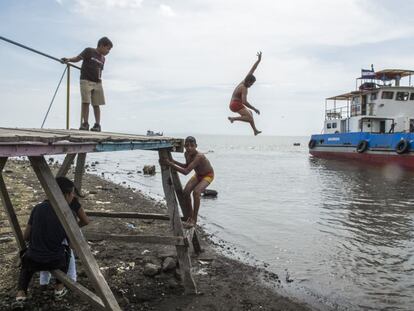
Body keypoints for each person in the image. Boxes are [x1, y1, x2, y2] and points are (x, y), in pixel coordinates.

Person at [13, 177, 79, 309]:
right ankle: (59, 288)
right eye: (72, 194)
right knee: (66, 251)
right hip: (55, 261)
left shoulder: (38, 208)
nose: (73, 196)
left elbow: (26, 236)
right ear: (65, 195)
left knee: (27, 257)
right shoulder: (69, 213)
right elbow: (72, 244)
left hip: (34, 260)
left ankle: (21, 293)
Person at [61, 37, 113, 132]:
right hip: (86, 80)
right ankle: (85, 123)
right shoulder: (89, 51)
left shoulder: (103, 59)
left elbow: (100, 70)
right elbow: (78, 58)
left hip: (97, 82)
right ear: (101, 45)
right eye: (107, 49)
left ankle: (97, 124)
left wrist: (99, 81)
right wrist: (68, 59)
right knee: (86, 102)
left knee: (96, 104)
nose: (108, 51)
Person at [161, 136, 214, 228]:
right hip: (198, 175)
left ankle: (194, 219)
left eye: (192, 146)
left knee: (196, 192)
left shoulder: (199, 157)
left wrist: (170, 164)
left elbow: (186, 172)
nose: (189, 148)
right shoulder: (187, 154)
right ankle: (190, 216)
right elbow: (186, 166)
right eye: (187, 146)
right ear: (185, 146)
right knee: (185, 192)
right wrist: (173, 161)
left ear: (196, 146)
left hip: (208, 175)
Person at [39, 196, 89, 286]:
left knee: (47, 251)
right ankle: (70, 280)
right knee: (68, 253)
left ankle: (44, 282)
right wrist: (71, 228)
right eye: (72, 192)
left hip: (49, 232)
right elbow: (85, 221)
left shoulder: (47, 202)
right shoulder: (73, 201)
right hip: (65, 231)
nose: (73, 194)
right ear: (67, 193)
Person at [228, 51, 262, 135]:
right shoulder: (244, 88)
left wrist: (258, 60)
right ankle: (233, 119)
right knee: (249, 117)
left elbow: (253, 69)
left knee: (250, 114)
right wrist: (254, 108)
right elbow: (244, 102)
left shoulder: (245, 79)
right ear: (248, 81)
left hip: (235, 103)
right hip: (235, 104)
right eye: (251, 84)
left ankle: (255, 131)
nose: (251, 85)